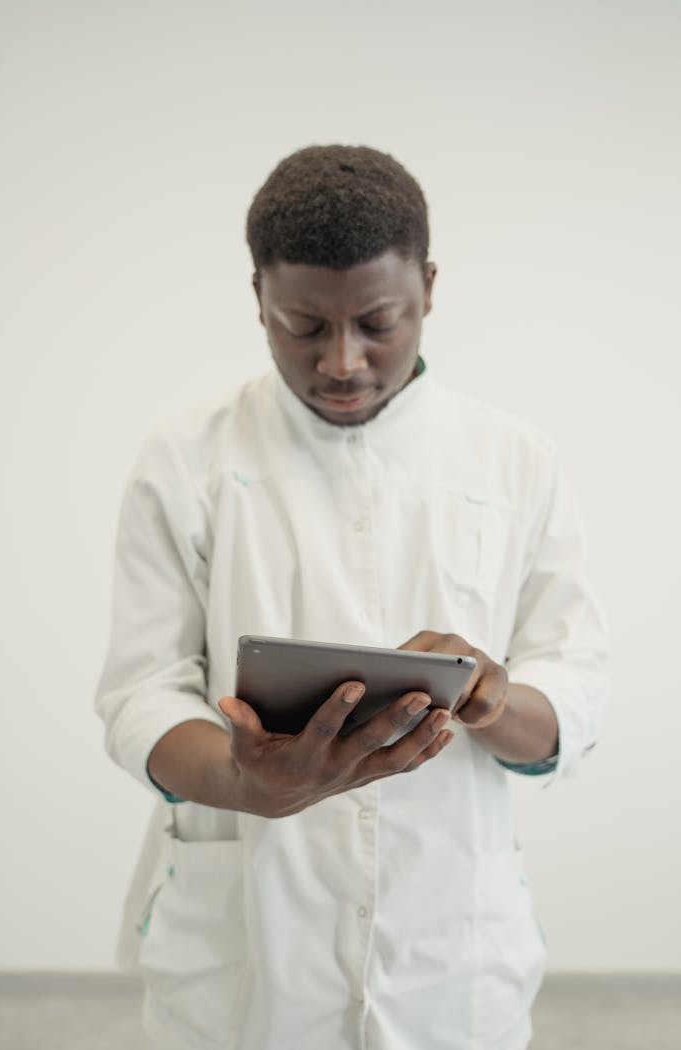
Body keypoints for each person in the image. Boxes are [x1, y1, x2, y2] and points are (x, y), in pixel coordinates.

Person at [95, 144, 608, 1050]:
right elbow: (141, 693)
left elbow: (574, 690)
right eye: (302, 326)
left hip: (451, 940)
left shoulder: (515, 460)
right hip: (247, 937)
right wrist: (246, 782)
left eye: (379, 322)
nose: (342, 361)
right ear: (257, 295)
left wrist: (492, 699)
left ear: (430, 289)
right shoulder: (186, 460)